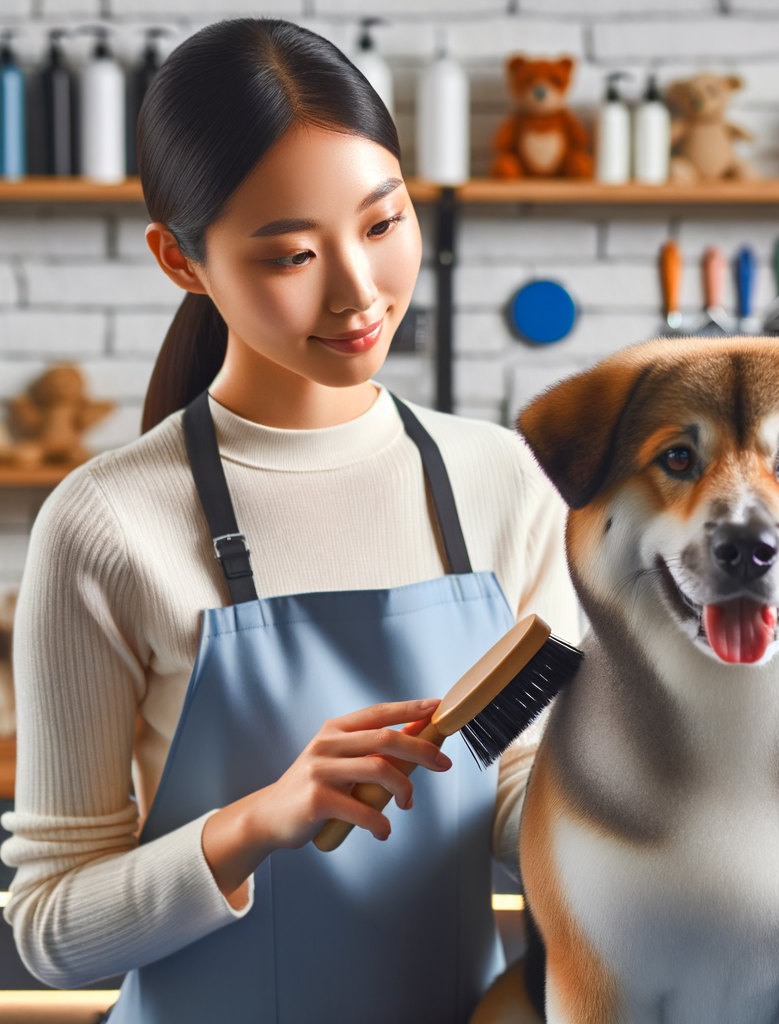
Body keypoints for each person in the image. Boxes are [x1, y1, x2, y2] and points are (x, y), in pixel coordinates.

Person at [0, 20, 577, 1023]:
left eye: (383, 223)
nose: (359, 290)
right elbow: (50, 929)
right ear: (182, 262)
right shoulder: (106, 525)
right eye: (292, 253)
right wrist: (263, 819)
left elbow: (522, 791)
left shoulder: (500, 480)